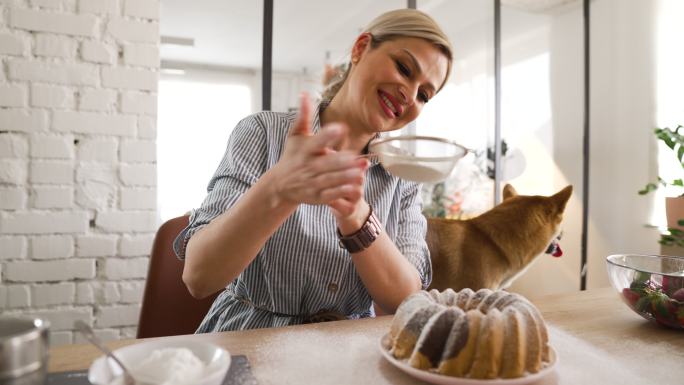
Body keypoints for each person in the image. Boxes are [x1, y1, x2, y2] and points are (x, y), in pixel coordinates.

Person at [174, 8, 454, 333]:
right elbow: (199, 276)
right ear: (361, 48)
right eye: (404, 68)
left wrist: (356, 216)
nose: (409, 95)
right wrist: (280, 189)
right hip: (251, 339)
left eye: (424, 95)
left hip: (348, 353)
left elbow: (405, 303)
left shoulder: (401, 175)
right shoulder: (263, 133)